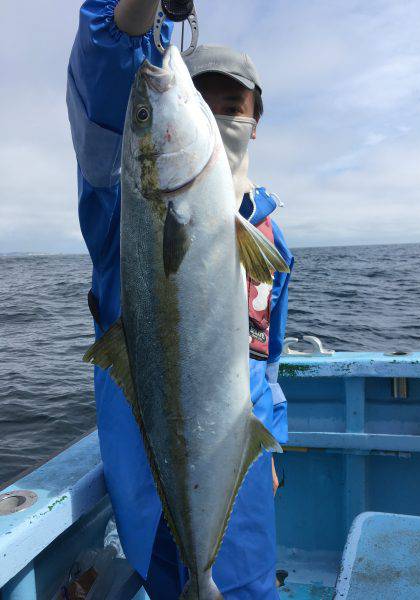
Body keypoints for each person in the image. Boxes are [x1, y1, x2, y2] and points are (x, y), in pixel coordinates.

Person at [67, 1, 294, 597]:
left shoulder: (267, 239)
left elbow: (266, 362)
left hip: (240, 487)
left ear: (255, 121)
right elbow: (108, 60)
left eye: (233, 108)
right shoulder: (122, 211)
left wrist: (270, 447)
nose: (217, 118)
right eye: (204, 99)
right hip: (155, 484)